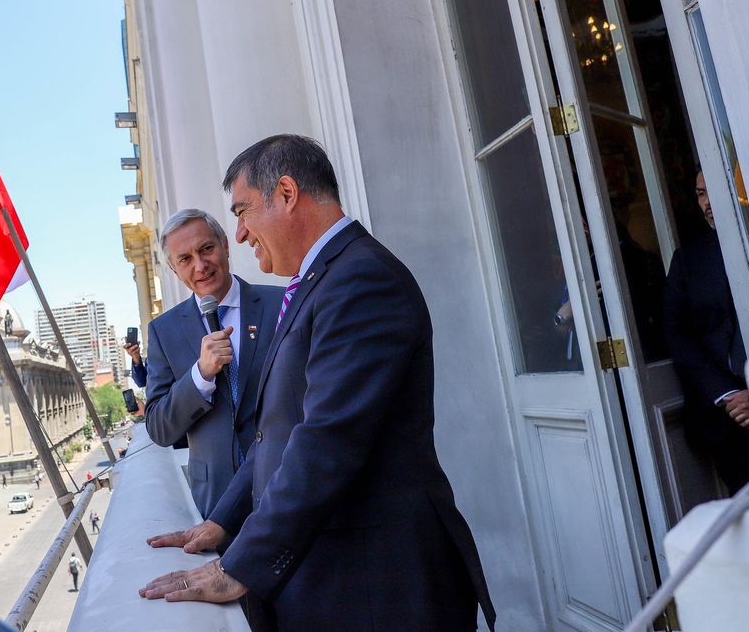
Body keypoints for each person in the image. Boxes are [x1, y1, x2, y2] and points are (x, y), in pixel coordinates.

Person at [140, 135, 495, 631]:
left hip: (379, 585)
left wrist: (238, 565)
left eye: (242, 212)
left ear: (287, 193)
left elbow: (327, 438)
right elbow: (277, 430)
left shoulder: (359, 280)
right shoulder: (318, 282)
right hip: (336, 575)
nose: (240, 234)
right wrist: (222, 522)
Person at [143, 208, 284, 519]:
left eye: (206, 248)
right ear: (174, 269)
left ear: (225, 245)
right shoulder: (164, 332)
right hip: (216, 502)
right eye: (185, 259)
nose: (200, 265)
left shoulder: (280, 304)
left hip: (284, 485)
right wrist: (200, 375)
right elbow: (159, 429)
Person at [664, 170, 749, 492]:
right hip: (730, 421)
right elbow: (678, 335)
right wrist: (729, 396)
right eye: (700, 194)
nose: (707, 202)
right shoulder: (688, 260)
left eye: (714, 190)